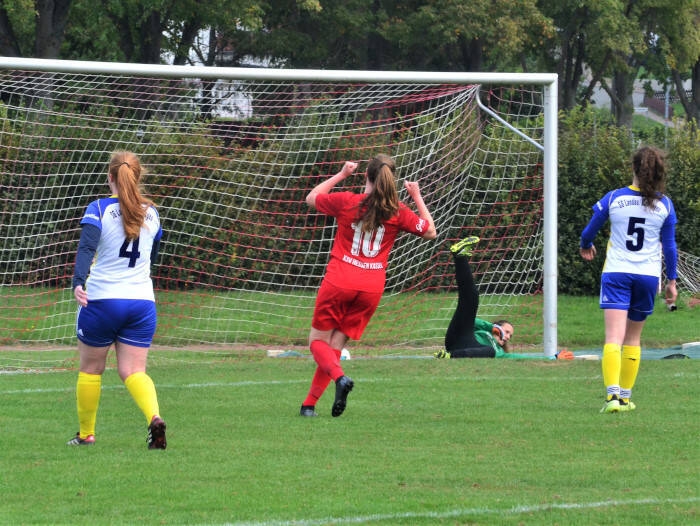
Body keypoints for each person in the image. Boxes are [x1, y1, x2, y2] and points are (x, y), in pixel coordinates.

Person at [300, 155, 437, 417]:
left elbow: (312, 197)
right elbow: (430, 231)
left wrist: (341, 174)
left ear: (367, 176)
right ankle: (309, 406)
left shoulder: (347, 201)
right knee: (336, 345)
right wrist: (417, 196)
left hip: (340, 280)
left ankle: (340, 378)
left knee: (317, 342)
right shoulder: (397, 211)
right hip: (371, 288)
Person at [67, 151, 167, 449]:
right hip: (142, 303)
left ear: (110, 177)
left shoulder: (98, 208)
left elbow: (86, 249)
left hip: (102, 301)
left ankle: (86, 434)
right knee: (134, 371)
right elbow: (154, 257)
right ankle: (154, 417)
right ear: (137, 177)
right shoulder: (152, 213)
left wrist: (78, 281)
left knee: (91, 369)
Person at [580, 145, 678, 414]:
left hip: (616, 273)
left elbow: (590, 230)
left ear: (633, 168)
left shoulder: (614, 198)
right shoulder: (664, 205)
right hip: (647, 277)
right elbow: (669, 247)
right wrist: (672, 281)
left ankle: (611, 397)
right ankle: (625, 398)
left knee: (613, 336)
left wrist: (585, 244)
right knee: (633, 338)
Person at [435, 237, 574, 360]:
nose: (507, 337)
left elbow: (521, 358)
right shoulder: (482, 331)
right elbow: (472, 321)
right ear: (497, 327)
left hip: (457, 349)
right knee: (472, 298)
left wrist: (553, 358)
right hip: (459, 335)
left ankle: (449, 356)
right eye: (507, 332)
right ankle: (460, 256)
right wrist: (491, 327)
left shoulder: (499, 352)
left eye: (510, 336)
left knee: (490, 351)